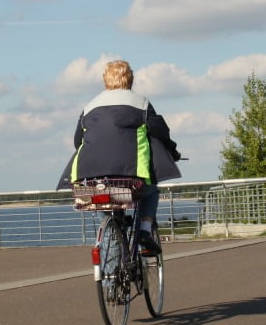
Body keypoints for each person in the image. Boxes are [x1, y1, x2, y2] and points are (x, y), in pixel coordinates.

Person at [56, 59, 181, 254]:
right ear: (130, 80)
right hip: (130, 178)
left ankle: (110, 274)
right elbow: (160, 132)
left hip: (89, 181)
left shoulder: (89, 107)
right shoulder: (140, 103)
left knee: (106, 209)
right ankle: (145, 232)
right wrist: (173, 152)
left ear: (105, 80)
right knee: (151, 192)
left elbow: (77, 141)